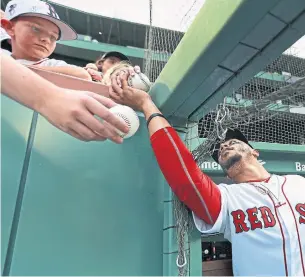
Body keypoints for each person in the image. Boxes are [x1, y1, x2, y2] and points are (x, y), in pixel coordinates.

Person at [109, 72, 305, 276]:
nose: (224, 145)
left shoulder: (297, 183)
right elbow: (182, 173)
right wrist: (147, 105)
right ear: (226, 174)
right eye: (218, 150)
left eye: (233, 141)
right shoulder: (228, 198)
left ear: (255, 151)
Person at [1, 52, 129, 143]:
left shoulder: (123, 82)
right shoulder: (84, 71)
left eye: (119, 64)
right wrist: (50, 98)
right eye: (112, 61)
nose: (114, 65)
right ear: (100, 62)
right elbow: (81, 75)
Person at [1, 0, 91, 80]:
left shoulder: (51, 65)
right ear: (9, 27)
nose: (46, 40)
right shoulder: (4, 55)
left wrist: (22, 69)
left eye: (53, 37)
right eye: (36, 29)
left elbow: (83, 75)